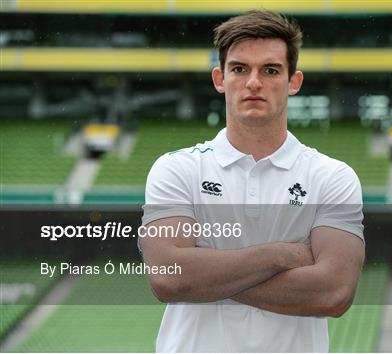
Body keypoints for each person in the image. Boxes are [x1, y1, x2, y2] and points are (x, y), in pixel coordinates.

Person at [140, 10, 365, 352]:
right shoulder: (176, 169)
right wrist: (279, 256)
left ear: (294, 82)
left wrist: (205, 275)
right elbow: (169, 277)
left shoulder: (332, 177)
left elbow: (333, 292)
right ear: (220, 78)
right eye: (239, 69)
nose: (254, 82)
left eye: (271, 70)